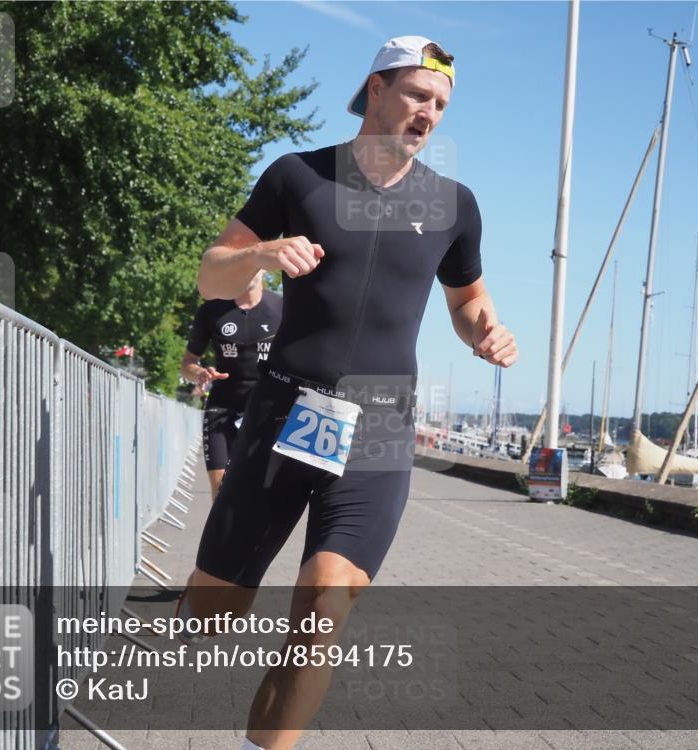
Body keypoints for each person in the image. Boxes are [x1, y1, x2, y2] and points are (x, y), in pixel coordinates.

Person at [178, 36, 518, 750]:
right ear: (374, 89)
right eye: (418, 96)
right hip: (283, 412)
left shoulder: (453, 205)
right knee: (208, 619)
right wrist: (262, 255)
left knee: (323, 608)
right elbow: (212, 272)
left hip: (381, 427)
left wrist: (485, 330)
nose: (429, 113)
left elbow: (467, 301)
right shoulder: (298, 177)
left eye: (442, 105)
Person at [181, 271, 282, 499]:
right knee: (221, 490)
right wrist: (200, 373)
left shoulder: (281, 308)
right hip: (223, 405)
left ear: (264, 268)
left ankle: (251, 533)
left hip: (266, 408)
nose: (246, 270)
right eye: (241, 264)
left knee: (261, 489)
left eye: (253, 264)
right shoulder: (211, 310)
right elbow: (187, 364)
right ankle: (224, 533)